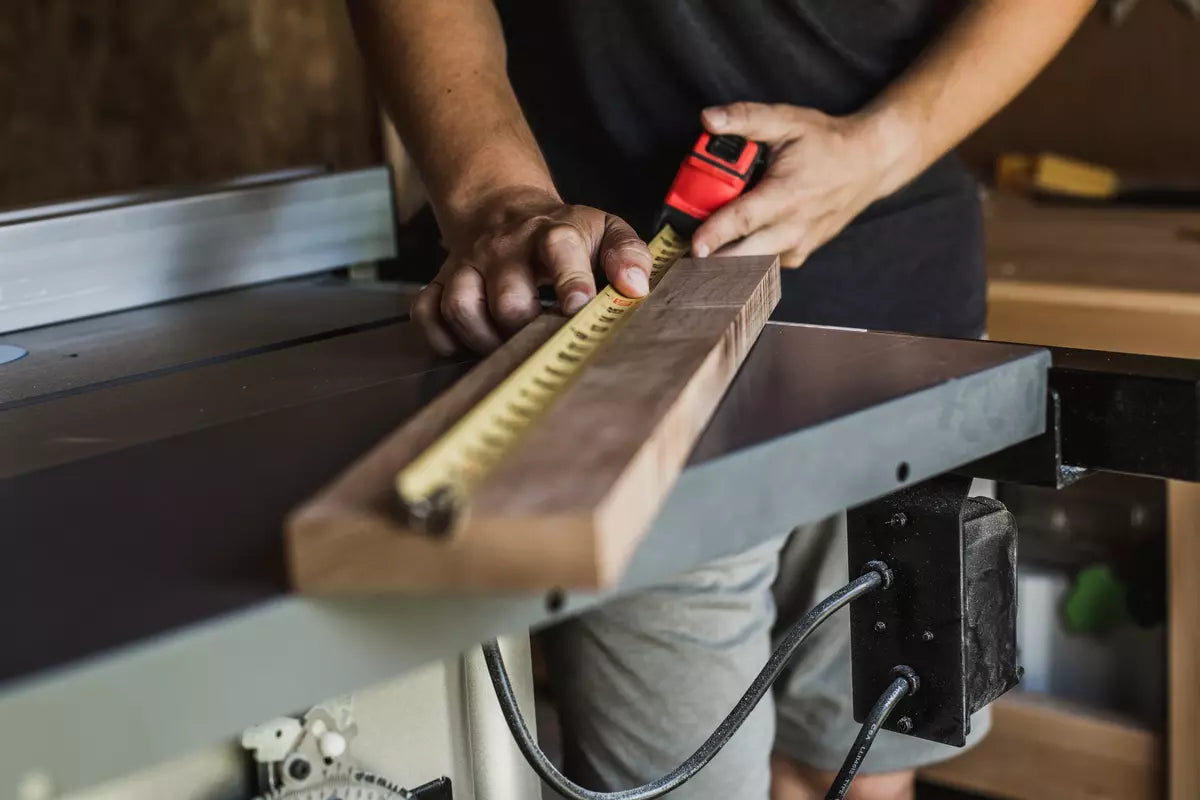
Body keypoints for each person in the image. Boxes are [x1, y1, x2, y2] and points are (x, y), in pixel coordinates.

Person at [349, 2, 1094, 797]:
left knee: (859, 771)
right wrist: (499, 197)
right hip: (610, 321)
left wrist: (886, 144)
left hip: (899, 319)